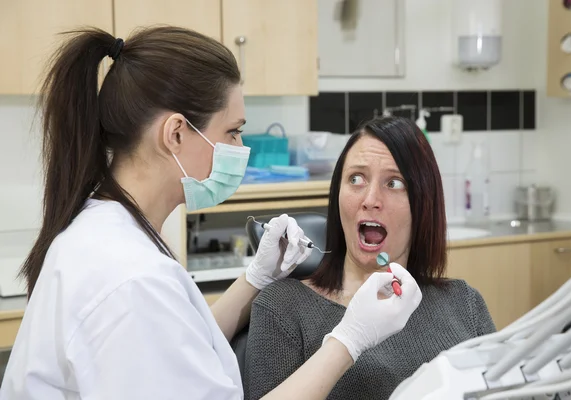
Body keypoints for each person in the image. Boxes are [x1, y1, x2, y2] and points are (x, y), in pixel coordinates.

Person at [0, 27, 423, 400]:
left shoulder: (110, 234)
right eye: (232, 132)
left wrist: (255, 278)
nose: (240, 149)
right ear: (177, 133)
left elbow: (181, 346)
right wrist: (350, 338)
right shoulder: (132, 280)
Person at [243, 116, 497, 400]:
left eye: (394, 183)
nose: (371, 198)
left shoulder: (464, 303)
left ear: (424, 204)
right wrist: (349, 339)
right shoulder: (282, 308)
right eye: (356, 179)